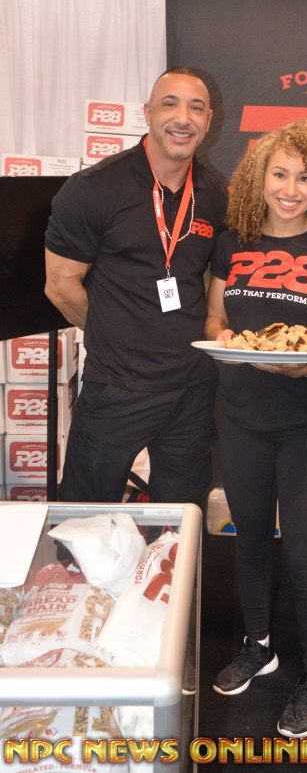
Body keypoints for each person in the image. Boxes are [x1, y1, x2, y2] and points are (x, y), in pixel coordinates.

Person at [205, 119, 307, 738]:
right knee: (248, 541)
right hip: (241, 419)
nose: (291, 189)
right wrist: (229, 342)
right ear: (259, 178)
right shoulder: (232, 243)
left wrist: (304, 364)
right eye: (280, 174)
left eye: (305, 178)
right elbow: (215, 318)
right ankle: (258, 645)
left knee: (303, 555)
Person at [44, 66, 227, 505]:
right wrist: (117, 332)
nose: (183, 118)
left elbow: (210, 278)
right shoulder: (94, 188)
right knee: (85, 514)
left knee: (181, 518)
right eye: (170, 104)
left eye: (196, 108)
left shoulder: (215, 194)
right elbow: (60, 285)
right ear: (148, 112)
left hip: (191, 388)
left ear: (208, 120)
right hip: (117, 388)